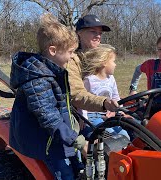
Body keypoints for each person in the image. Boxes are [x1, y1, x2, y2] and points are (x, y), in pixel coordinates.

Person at [9, 14, 86, 179]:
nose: (73, 56)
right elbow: (48, 116)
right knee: (65, 175)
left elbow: (60, 103)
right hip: (46, 140)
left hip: (59, 135)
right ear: (53, 50)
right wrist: (74, 138)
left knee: (80, 167)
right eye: (70, 52)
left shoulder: (52, 71)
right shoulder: (37, 78)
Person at [67, 14, 119, 114]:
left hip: (105, 112)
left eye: (100, 33)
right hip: (83, 116)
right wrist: (104, 103)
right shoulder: (71, 60)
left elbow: (109, 88)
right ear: (79, 33)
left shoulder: (101, 57)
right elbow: (76, 94)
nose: (98, 36)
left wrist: (113, 109)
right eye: (93, 32)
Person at [79, 44, 129, 139]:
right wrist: (83, 118)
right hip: (92, 116)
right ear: (104, 63)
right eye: (113, 61)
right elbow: (82, 100)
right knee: (109, 135)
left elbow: (116, 97)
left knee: (125, 135)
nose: (116, 64)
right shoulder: (89, 80)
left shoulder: (111, 79)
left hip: (108, 115)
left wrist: (119, 111)